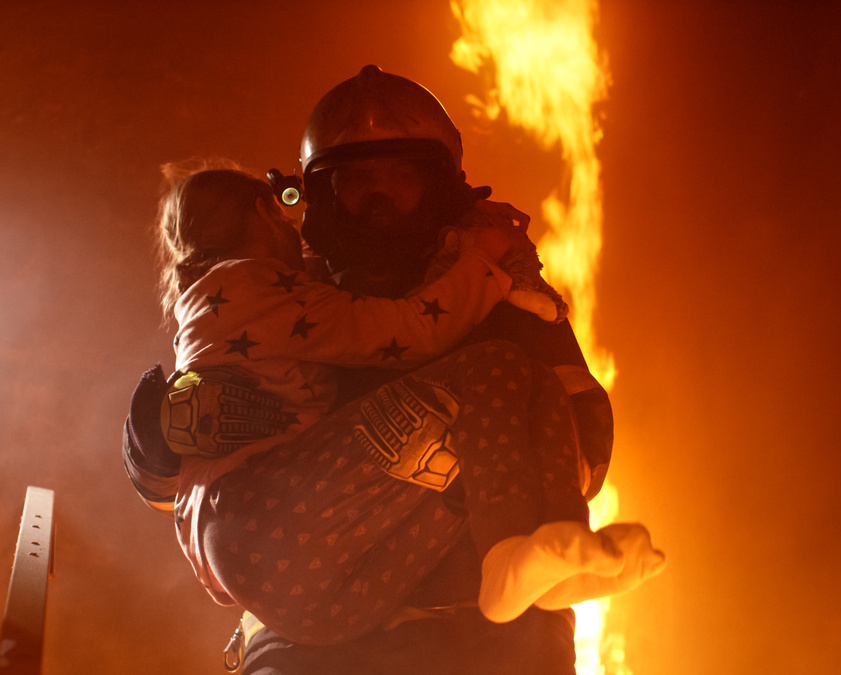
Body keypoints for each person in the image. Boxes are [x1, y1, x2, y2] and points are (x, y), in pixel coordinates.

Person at [124, 66, 662, 673]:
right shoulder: (280, 295)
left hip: (481, 630)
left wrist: (467, 466)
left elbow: (583, 431)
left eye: (401, 177)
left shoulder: (496, 293)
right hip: (313, 644)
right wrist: (160, 443)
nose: (380, 199)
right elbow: (192, 494)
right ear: (323, 192)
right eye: (358, 181)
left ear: (440, 185)